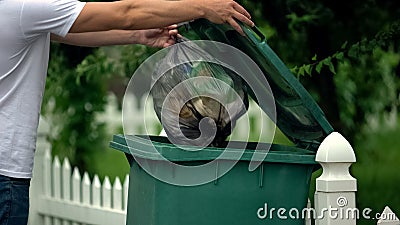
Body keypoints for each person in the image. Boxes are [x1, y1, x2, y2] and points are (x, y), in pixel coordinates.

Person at [0, 0, 254, 224]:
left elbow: (64, 30)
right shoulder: (23, 7)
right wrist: (203, 6)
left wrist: (136, 35)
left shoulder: (17, 11)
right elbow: (126, 11)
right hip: (5, 178)